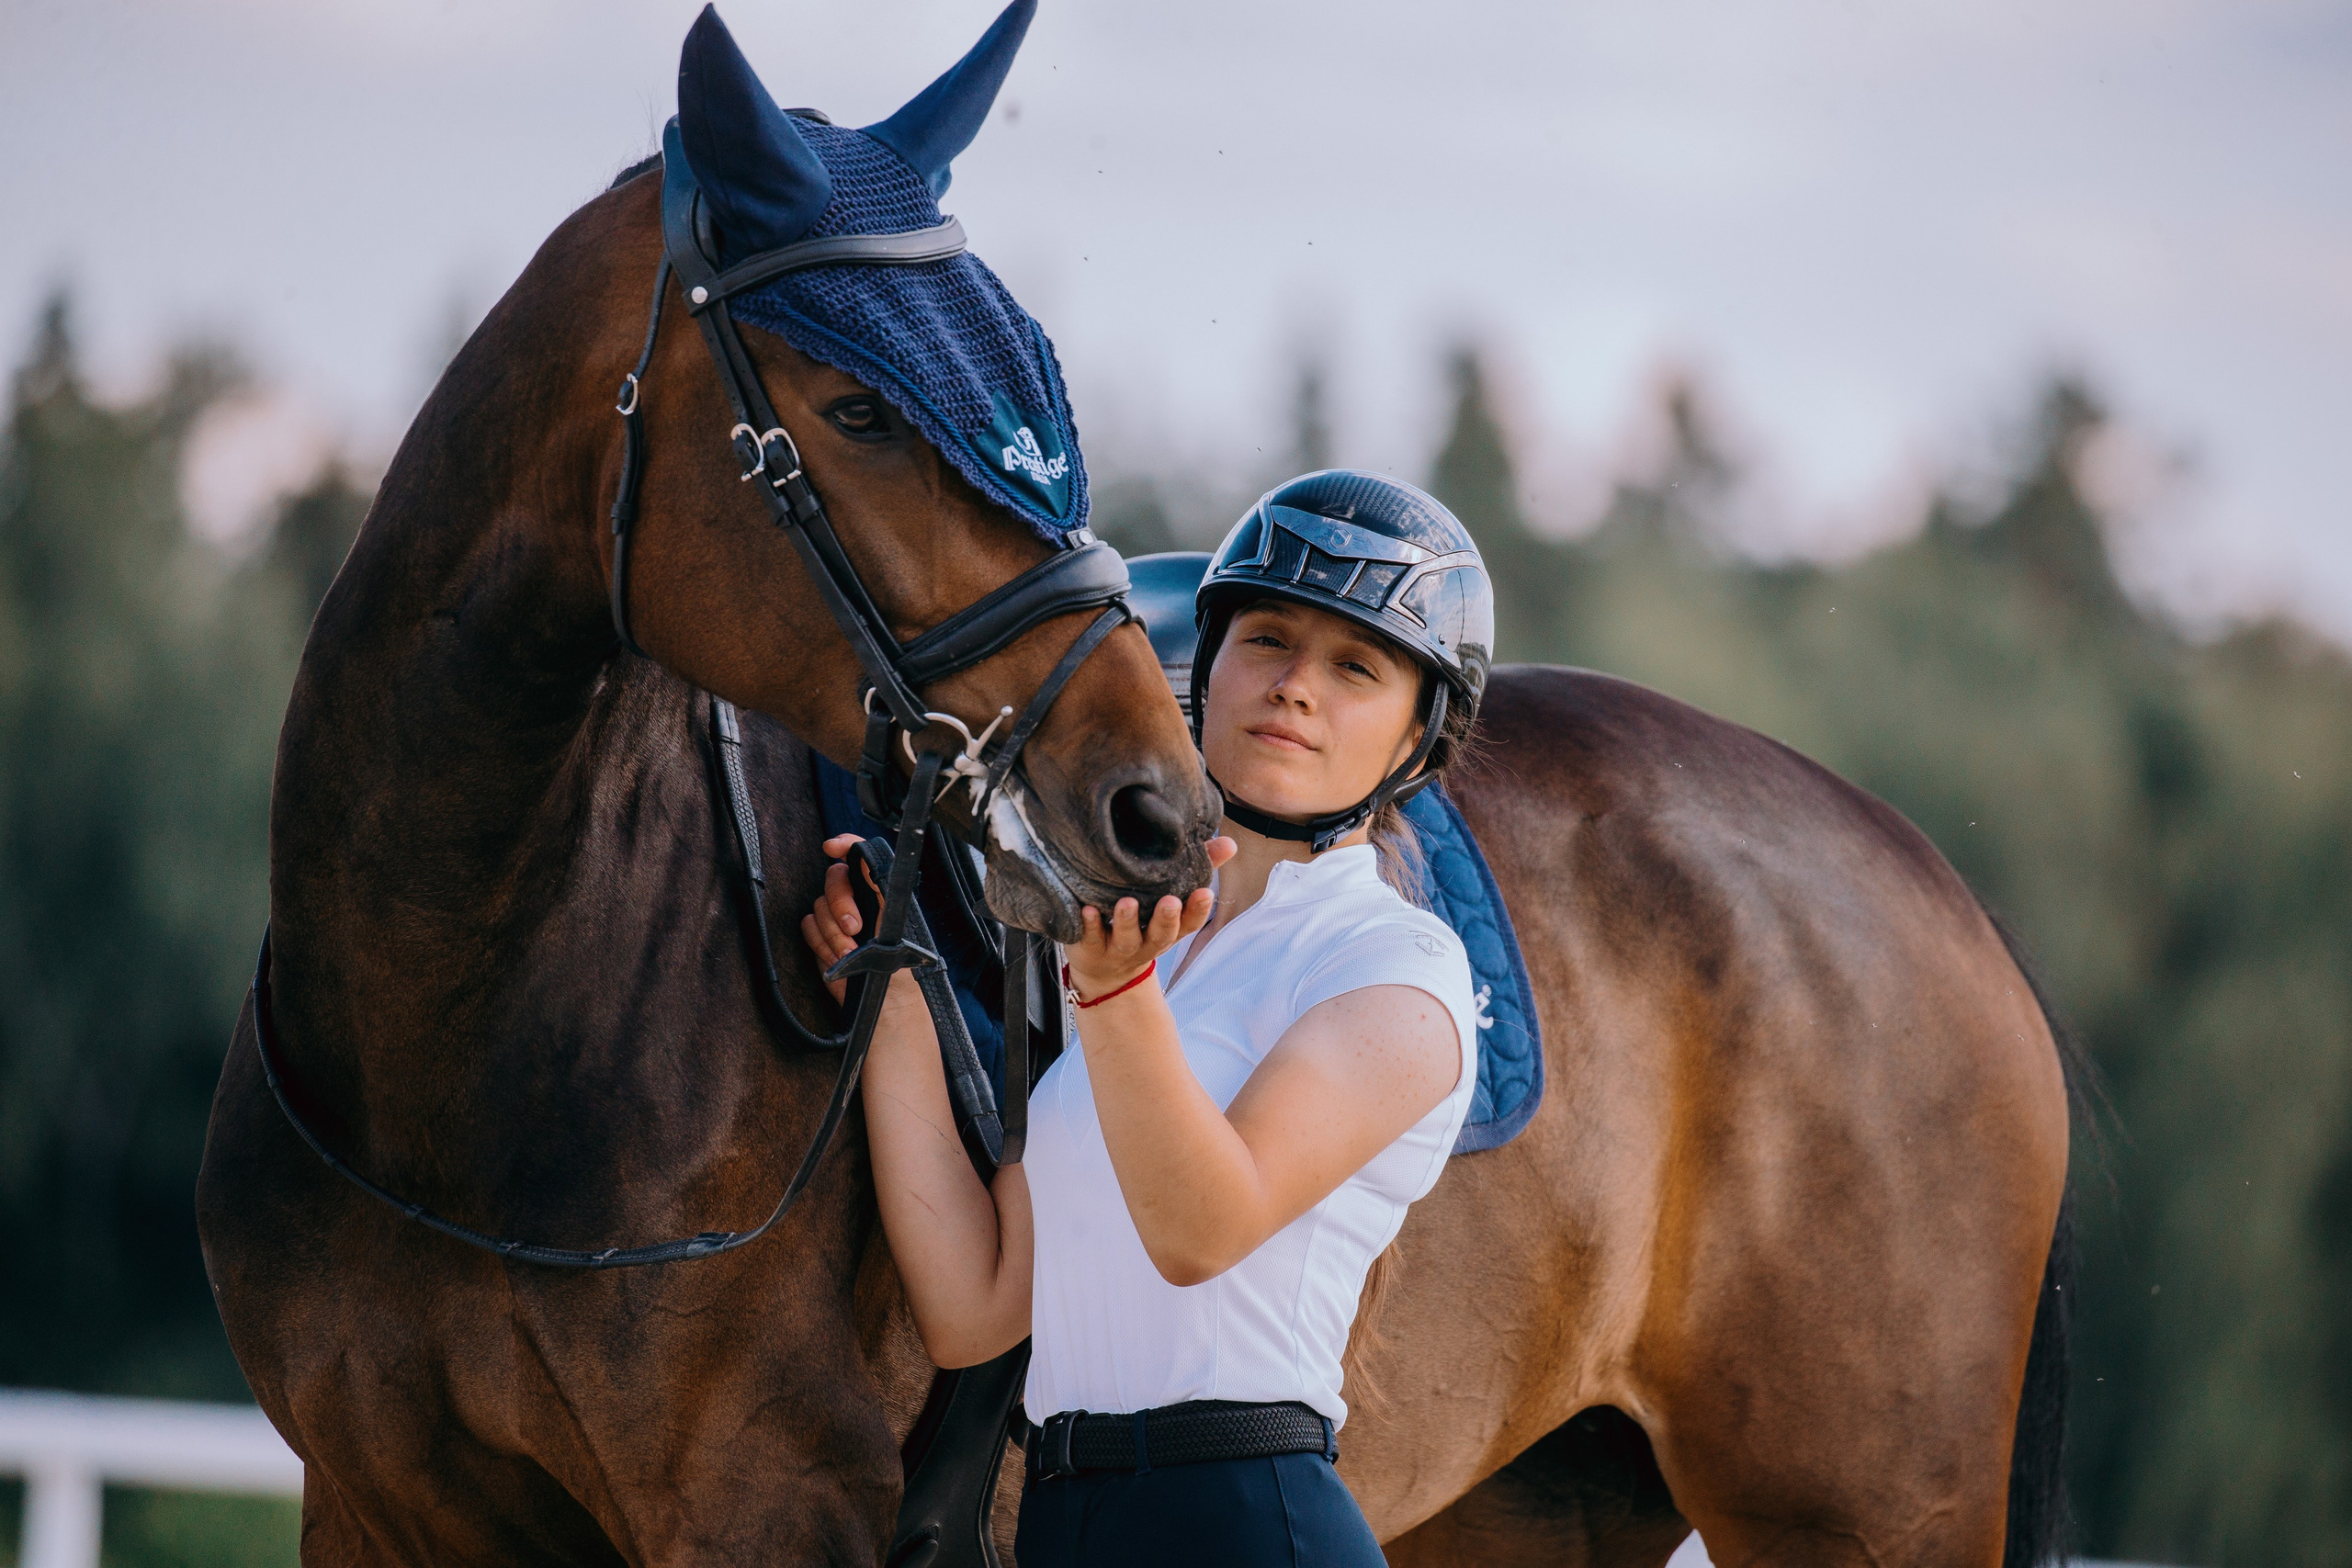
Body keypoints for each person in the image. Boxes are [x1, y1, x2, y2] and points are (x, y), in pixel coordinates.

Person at [802, 470, 1494, 1566]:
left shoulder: (1400, 970)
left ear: (1418, 739)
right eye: (1266, 639)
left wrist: (1113, 997)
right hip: (1067, 1520)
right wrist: (889, 987)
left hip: (1245, 1524)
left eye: (1355, 665)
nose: (1295, 687)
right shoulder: (1157, 964)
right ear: (1206, 667)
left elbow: (1201, 1231)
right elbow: (975, 1306)